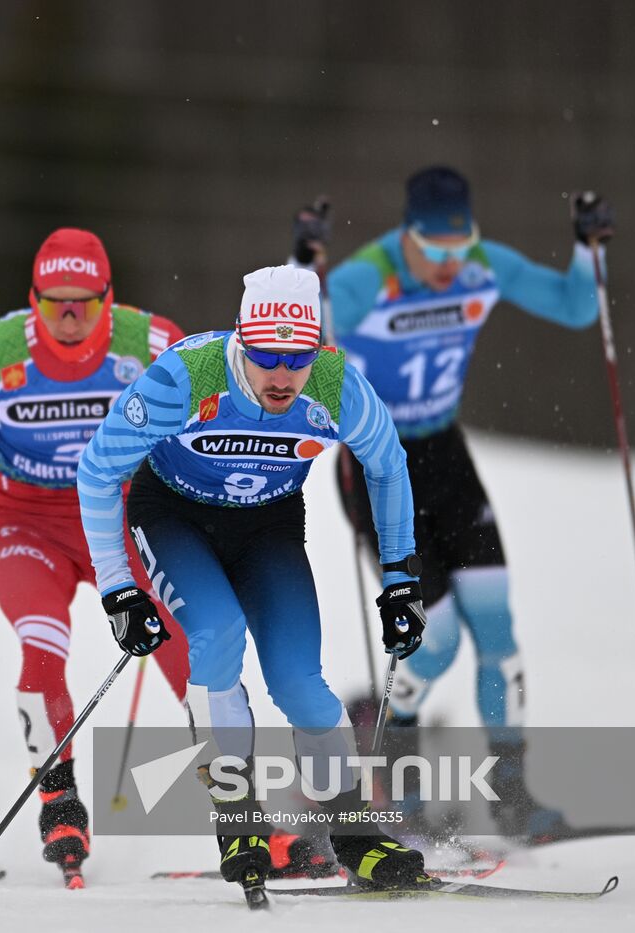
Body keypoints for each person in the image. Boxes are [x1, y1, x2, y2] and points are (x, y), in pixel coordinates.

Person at [77, 265, 430, 894]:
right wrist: (117, 588)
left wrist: (401, 578)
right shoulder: (186, 378)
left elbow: (388, 464)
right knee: (217, 634)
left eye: (297, 360)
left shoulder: (336, 385)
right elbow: (98, 470)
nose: (282, 376)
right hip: (175, 517)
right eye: (265, 357)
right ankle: (238, 818)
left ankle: (354, 836)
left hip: (267, 527)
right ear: (241, 340)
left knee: (301, 684)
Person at [293, 167, 615, 837]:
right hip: (379, 464)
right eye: (434, 251)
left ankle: (513, 797)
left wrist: (589, 251)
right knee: (434, 643)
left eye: (459, 247)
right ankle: (401, 788)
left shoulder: (481, 265)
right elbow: (298, 336)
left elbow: (576, 307)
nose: (449, 265)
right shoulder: (367, 278)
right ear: (407, 236)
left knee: (498, 631)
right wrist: (303, 274)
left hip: (445, 454)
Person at [0, 227, 192, 888]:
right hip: (27, 523)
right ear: (32, 297)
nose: (68, 318)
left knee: (189, 648)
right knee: (41, 647)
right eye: (53, 304)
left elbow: (204, 412)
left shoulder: (151, 343)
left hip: (119, 518)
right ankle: (59, 800)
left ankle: (252, 814)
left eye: (83, 305)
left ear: (109, 299)